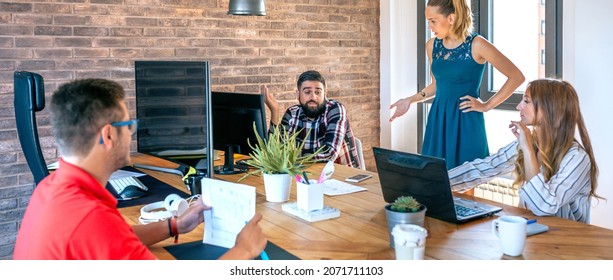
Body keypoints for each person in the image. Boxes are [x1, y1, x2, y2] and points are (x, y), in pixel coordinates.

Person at [13, 78, 267, 259]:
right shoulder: (90, 219)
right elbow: (100, 232)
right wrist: (243, 250)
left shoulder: (50, 188)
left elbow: (113, 238)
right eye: (129, 125)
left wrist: (174, 226)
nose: (132, 133)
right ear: (109, 135)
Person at [389, 0, 525, 170]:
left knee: (467, 182)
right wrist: (410, 100)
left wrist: (487, 105)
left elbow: (516, 77)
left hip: (466, 119)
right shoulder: (432, 46)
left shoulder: (477, 44)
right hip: (439, 118)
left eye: (433, 21)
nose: (430, 27)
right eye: (428, 21)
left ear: (451, 18)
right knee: (435, 180)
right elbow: (438, 85)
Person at [448, 79, 601, 223]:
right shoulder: (530, 142)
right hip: (532, 232)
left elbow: (543, 206)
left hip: (566, 242)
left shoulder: (577, 158)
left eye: (526, 101)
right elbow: (484, 168)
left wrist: (527, 149)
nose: (519, 106)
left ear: (550, 109)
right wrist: (436, 182)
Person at [262, 70, 361, 169]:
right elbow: (273, 152)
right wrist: (274, 111)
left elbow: (330, 153)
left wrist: (291, 156)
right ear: (298, 94)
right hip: (307, 175)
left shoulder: (335, 109)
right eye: (307, 92)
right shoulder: (292, 113)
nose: (313, 97)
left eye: (318, 92)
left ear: (325, 93)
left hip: (343, 177)